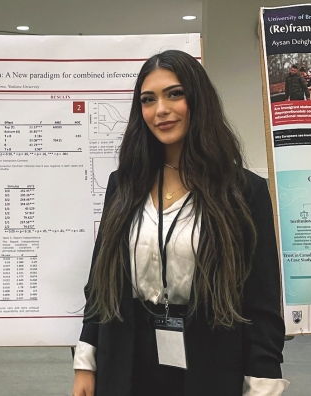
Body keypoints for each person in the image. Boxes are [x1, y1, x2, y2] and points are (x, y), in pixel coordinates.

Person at [72, 50, 287, 396]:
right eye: (148, 100)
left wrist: (262, 384)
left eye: (175, 94)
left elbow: (261, 304)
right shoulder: (125, 184)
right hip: (126, 359)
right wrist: (85, 364)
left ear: (198, 100)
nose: (160, 110)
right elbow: (100, 283)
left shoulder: (243, 191)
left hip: (209, 360)